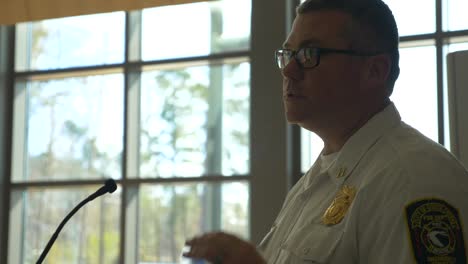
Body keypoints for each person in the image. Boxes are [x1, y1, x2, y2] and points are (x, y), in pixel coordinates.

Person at [183, 0, 468, 263]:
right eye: (289, 54)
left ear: (375, 70)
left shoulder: (413, 177)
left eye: (310, 54)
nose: (289, 70)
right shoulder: (317, 181)